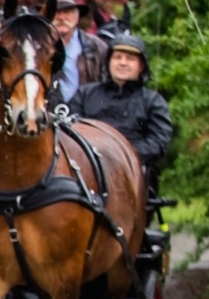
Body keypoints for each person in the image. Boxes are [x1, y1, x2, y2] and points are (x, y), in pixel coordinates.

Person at [67, 25, 173, 186]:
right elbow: (69, 132)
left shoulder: (153, 101)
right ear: (108, 62)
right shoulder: (84, 94)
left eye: (130, 59)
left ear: (141, 66)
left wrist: (119, 155)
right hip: (86, 168)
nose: (123, 63)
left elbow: (158, 141)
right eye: (118, 57)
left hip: (132, 171)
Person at [48, 0, 108, 104]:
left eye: (68, 12)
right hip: (47, 116)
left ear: (77, 17)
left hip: (86, 115)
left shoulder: (97, 46)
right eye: (57, 12)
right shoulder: (36, 48)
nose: (62, 17)